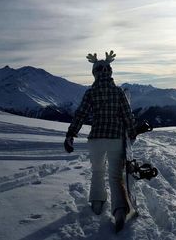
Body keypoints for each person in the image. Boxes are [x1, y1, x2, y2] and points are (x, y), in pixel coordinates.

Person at [64, 50, 136, 232]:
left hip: (96, 139)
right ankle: (119, 210)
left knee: (97, 171)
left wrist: (71, 134)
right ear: (109, 72)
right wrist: (132, 133)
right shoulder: (119, 92)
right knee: (115, 175)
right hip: (115, 139)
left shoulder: (91, 92)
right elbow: (128, 115)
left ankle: (97, 202)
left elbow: (80, 114)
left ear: (95, 73)